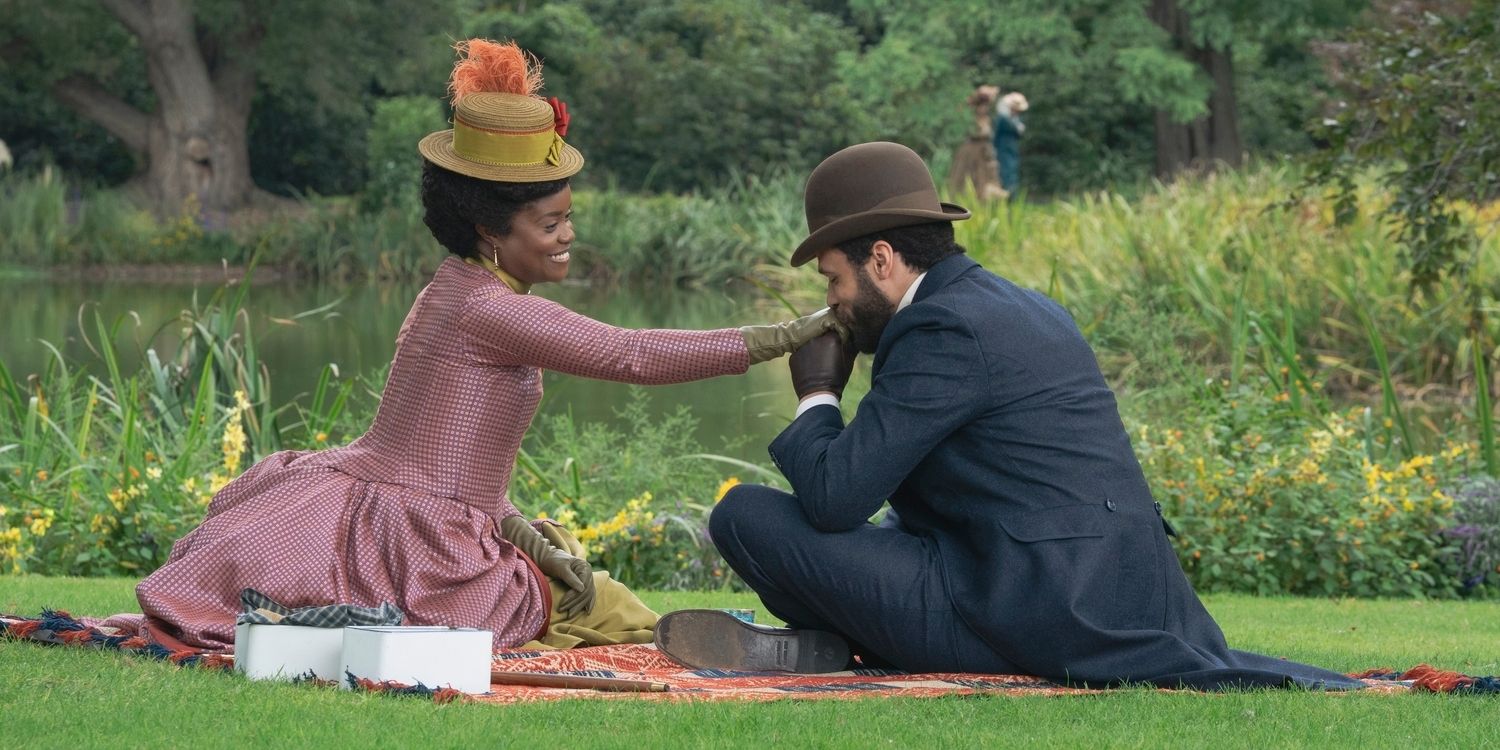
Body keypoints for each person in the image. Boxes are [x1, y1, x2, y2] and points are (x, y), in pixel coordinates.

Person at [127, 40, 841, 653]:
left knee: (596, 603)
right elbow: (631, 356)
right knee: (603, 614)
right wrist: (787, 334)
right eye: (551, 221)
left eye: (570, 217)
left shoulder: (456, 288)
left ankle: (696, 636)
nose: (568, 236)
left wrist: (525, 535)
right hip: (418, 543)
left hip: (412, 516)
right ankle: (725, 647)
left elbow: (450, 461)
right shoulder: (488, 309)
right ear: (493, 230)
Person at [654, 141, 1364, 691]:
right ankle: (831, 643)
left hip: (1035, 615)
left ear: (881, 259)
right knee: (846, 529)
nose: (833, 302)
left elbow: (837, 498)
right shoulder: (1013, 304)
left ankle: (834, 641)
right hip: (1108, 598)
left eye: (834, 281)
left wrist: (816, 395)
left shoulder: (940, 331)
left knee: (745, 515)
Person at [944, 85, 1005, 201]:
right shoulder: (974, 117)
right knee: (970, 175)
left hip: (982, 149)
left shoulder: (983, 116)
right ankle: (972, 198)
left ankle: (980, 198)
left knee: (983, 175)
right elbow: (978, 133)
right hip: (974, 149)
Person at [992, 91, 1027, 195]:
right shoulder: (1003, 118)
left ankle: (1012, 197)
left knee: (1012, 174)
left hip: (1012, 150)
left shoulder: (1015, 118)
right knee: (1005, 175)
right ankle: (1006, 197)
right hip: (1003, 150)